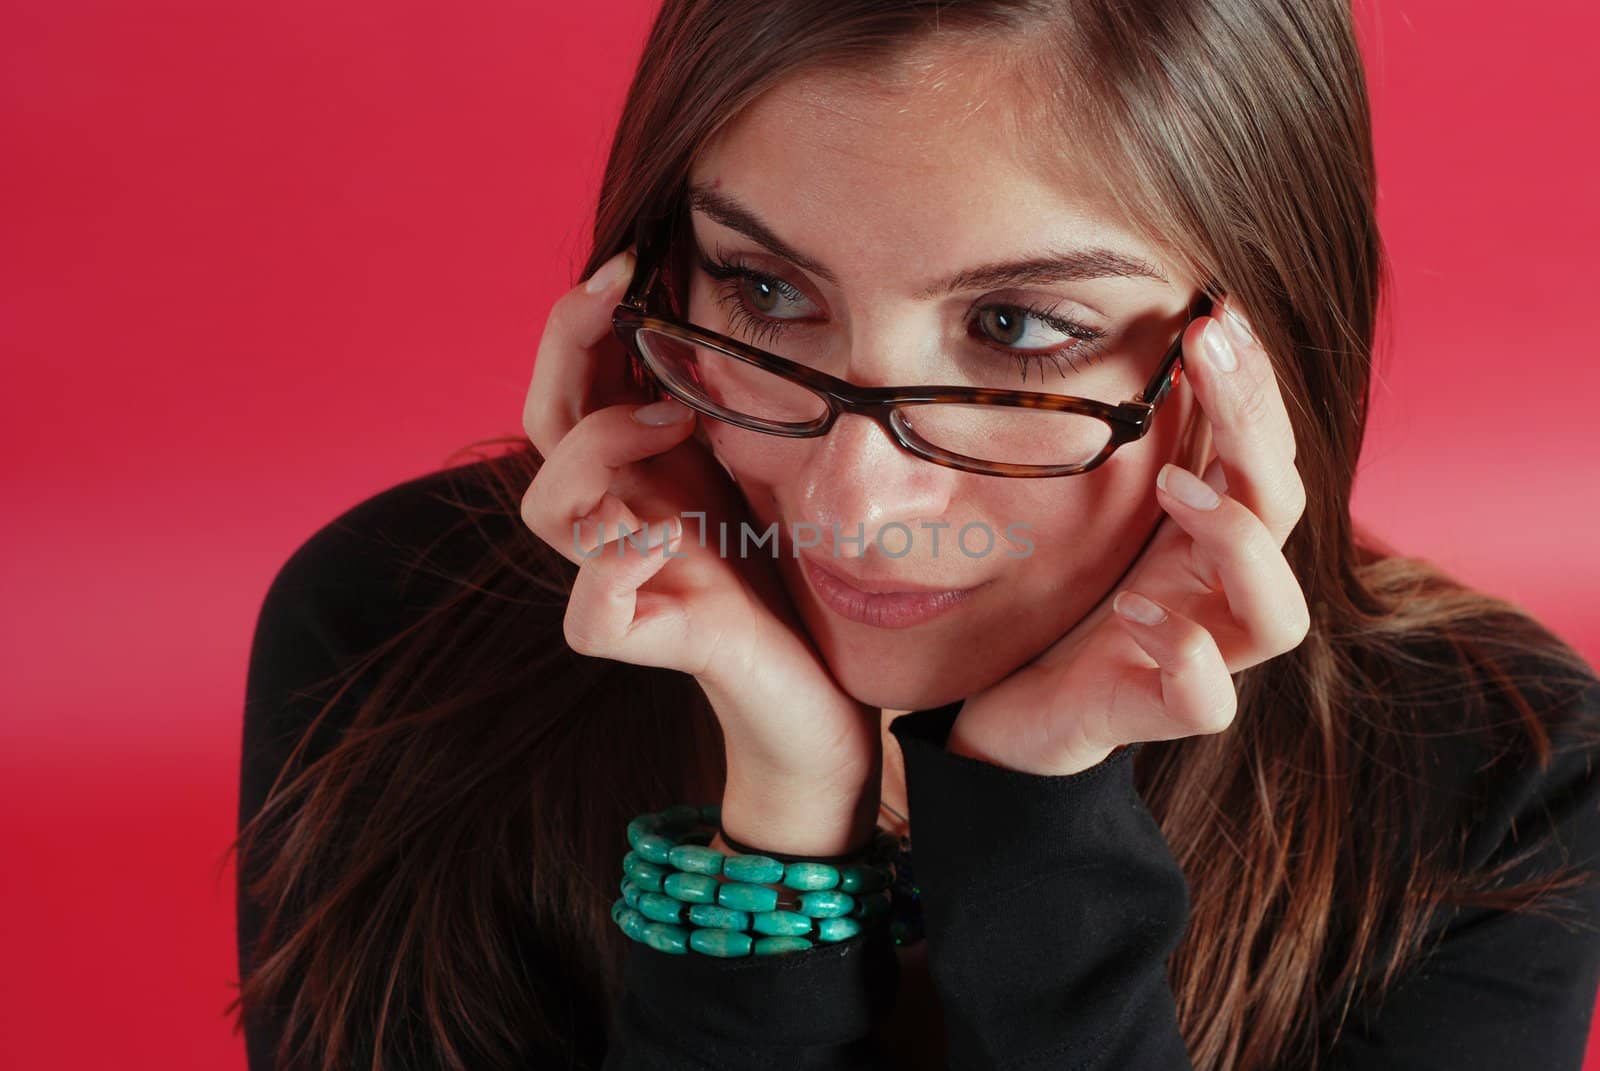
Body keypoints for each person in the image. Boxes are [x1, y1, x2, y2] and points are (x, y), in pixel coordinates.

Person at [230, 1, 1600, 1069]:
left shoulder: (1499, 788)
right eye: (764, 291)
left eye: (1015, 331)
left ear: (1251, 357)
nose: (852, 507)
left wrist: (1037, 828)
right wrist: (769, 839)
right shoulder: (395, 640)